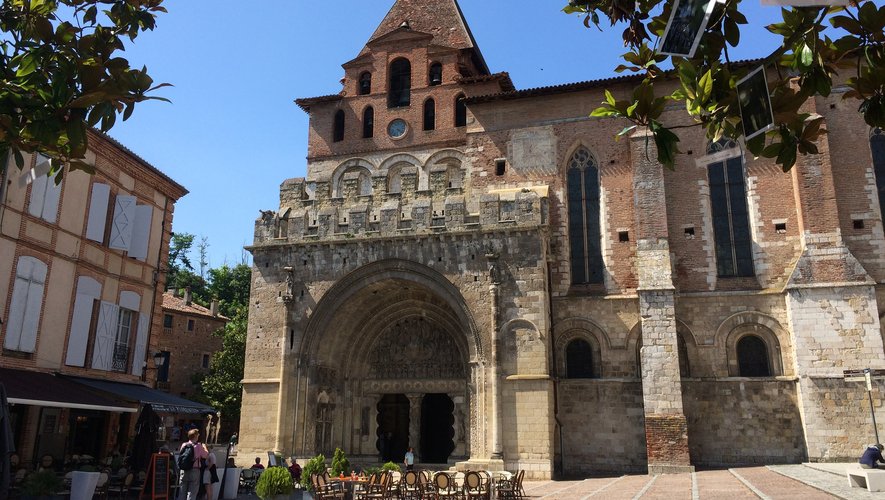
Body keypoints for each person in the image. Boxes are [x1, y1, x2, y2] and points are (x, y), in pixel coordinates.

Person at [178, 429, 208, 500]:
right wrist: (205, 448)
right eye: (198, 434)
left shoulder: (184, 445)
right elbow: (205, 455)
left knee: (182, 492)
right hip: (194, 470)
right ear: (195, 436)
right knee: (192, 493)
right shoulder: (198, 446)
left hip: (183, 470)